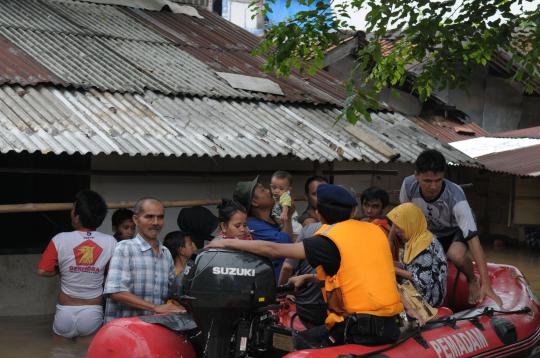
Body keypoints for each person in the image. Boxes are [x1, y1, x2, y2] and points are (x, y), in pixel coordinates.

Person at [210, 184, 403, 347]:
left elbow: (275, 250)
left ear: (319, 215)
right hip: (390, 325)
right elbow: (354, 274)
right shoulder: (375, 231)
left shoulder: (329, 240)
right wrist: (309, 277)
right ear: (354, 211)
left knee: (292, 342)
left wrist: (225, 242)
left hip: (358, 332)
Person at [400, 149, 502, 306]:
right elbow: (403, 218)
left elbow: (474, 242)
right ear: (417, 176)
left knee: (456, 255)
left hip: (455, 229)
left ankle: (471, 279)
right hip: (429, 231)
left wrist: (487, 285)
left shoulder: (455, 197)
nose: (433, 186)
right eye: (427, 181)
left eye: (438, 180)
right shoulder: (408, 186)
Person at [37, 190, 117, 339]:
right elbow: (112, 273)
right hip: (93, 310)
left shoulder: (60, 239)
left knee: (58, 353)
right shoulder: (111, 242)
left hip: (65, 311)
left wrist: (59, 271)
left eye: (73, 208)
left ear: (77, 216)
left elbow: (42, 271)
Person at [103, 198, 183, 322]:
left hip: (153, 331)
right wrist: (155, 308)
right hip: (124, 332)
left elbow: (172, 293)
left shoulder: (165, 253)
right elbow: (116, 291)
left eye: (160, 217)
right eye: (149, 217)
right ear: (136, 220)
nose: (156, 222)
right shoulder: (125, 248)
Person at [387, 203, 448, 308]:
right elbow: (408, 267)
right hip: (414, 290)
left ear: (410, 224)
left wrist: (392, 269)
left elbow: (421, 280)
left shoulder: (424, 245)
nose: (396, 231)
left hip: (428, 299)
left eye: (399, 227)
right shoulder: (414, 239)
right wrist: (387, 264)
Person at [233, 176, 293, 280]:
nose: (269, 191)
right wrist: (287, 217)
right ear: (254, 202)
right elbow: (286, 243)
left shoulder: (271, 219)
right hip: (271, 286)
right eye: (262, 190)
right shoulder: (251, 224)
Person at [359, 186, 399, 259]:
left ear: (384, 207)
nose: (369, 210)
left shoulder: (382, 228)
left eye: (375, 206)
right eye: (366, 205)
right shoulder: (363, 222)